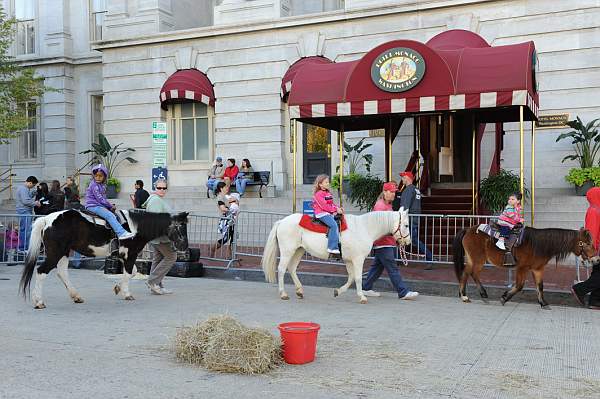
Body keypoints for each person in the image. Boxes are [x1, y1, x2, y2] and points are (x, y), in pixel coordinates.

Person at [362, 181, 419, 300]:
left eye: (394, 192)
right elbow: (378, 226)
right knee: (392, 268)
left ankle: (366, 288)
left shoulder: (388, 205)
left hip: (387, 242)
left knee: (377, 267)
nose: (394, 194)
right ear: (385, 192)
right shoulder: (380, 206)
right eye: (391, 192)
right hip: (383, 243)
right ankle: (403, 292)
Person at [143, 178, 176, 295]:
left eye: (164, 188)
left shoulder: (156, 199)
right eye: (159, 188)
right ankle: (153, 282)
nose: (162, 190)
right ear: (155, 188)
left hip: (157, 236)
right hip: (160, 236)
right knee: (171, 257)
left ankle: (157, 285)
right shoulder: (156, 200)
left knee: (158, 259)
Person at [84, 164, 135, 240]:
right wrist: (110, 205)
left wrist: (108, 206)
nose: (98, 177)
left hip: (98, 205)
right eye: (96, 176)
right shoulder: (94, 185)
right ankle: (121, 233)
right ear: (93, 176)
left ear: (104, 177)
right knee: (110, 215)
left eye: (100, 176)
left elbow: (103, 199)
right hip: (93, 205)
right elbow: (100, 199)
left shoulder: (102, 185)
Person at [393, 171, 433, 264]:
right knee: (405, 239)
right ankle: (398, 259)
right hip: (414, 218)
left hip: (408, 220)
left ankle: (429, 257)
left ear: (407, 178)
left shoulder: (408, 190)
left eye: (403, 177)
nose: (402, 179)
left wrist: (400, 219)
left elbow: (404, 207)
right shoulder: (416, 189)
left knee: (411, 240)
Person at [572, 187, 600, 308]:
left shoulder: (596, 209)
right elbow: (591, 232)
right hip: (597, 248)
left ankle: (595, 300)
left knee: (597, 274)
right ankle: (579, 289)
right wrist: (593, 250)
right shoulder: (594, 210)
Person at [312, 174, 343, 255]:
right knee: (333, 225)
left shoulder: (327, 193)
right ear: (320, 184)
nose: (328, 183)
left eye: (328, 182)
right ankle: (332, 247)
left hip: (328, 212)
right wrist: (336, 210)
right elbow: (324, 206)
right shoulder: (318, 194)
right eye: (326, 182)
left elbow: (331, 204)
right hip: (321, 213)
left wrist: (338, 208)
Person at [211, 192, 240, 258]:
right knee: (226, 239)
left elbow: (228, 210)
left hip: (232, 224)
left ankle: (231, 256)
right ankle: (213, 249)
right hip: (229, 224)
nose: (229, 199)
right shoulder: (232, 204)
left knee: (232, 240)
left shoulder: (234, 205)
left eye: (231, 198)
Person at [15, 176, 39, 251]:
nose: (33, 186)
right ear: (30, 182)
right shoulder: (23, 189)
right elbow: (25, 201)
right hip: (24, 211)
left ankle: (22, 247)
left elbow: (26, 198)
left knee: (24, 229)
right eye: (33, 185)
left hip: (23, 211)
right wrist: (36, 203)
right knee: (26, 230)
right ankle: (24, 248)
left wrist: (32, 193)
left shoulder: (24, 188)